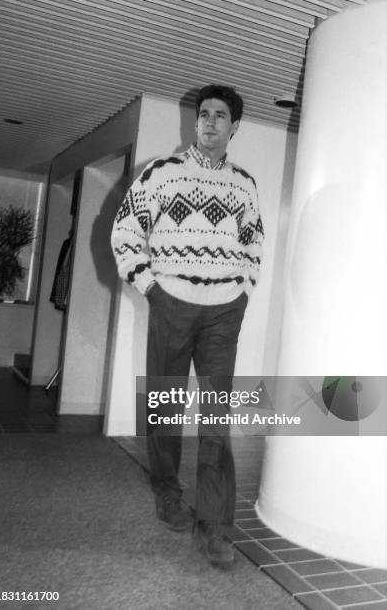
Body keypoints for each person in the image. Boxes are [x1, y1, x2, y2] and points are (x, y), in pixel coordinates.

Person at [111, 84, 264, 568]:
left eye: (221, 116)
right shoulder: (162, 173)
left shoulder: (245, 184)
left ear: (234, 126)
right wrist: (150, 286)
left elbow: (254, 244)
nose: (211, 122)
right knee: (165, 401)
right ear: (195, 123)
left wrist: (244, 289)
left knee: (217, 416)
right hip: (172, 301)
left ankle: (215, 527)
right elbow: (125, 231)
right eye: (204, 115)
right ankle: (167, 492)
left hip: (224, 310)